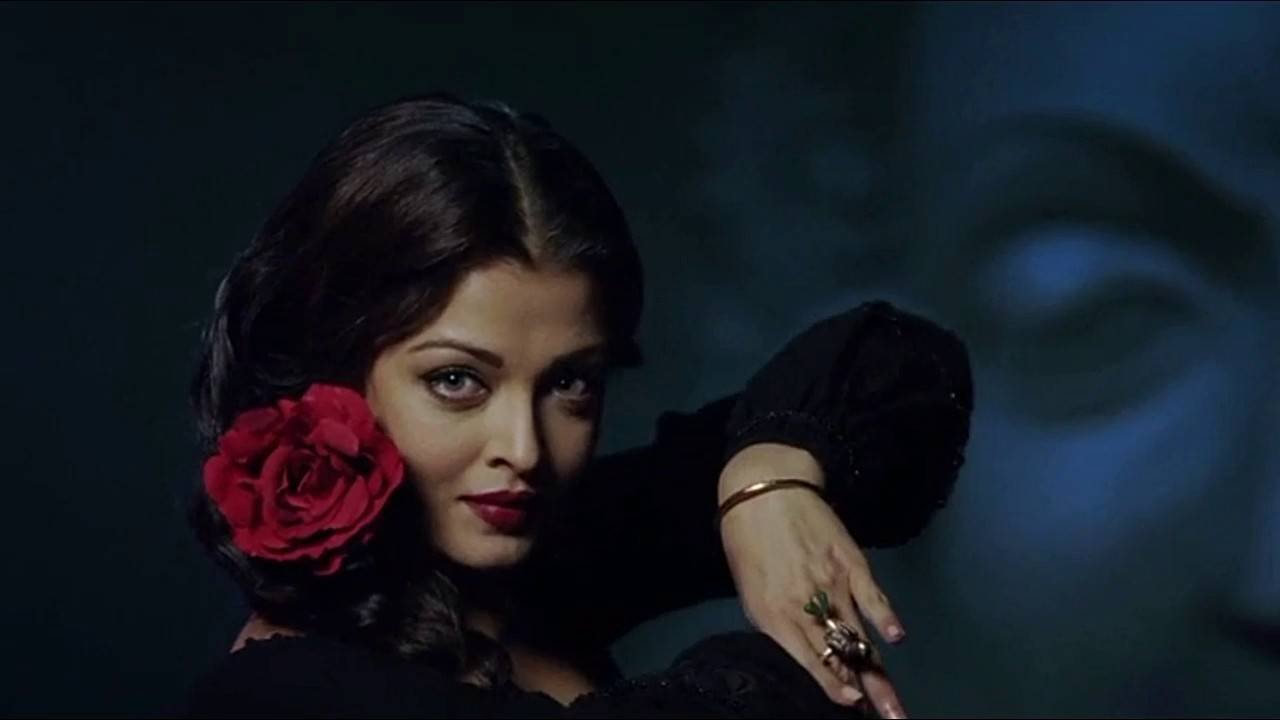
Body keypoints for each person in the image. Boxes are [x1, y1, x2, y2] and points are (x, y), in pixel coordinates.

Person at [182, 94, 973, 717]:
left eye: (570, 383)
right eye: (456, 381)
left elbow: (905, 374)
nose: (524, 448)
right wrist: (799, 662)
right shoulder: (286, 691)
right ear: (334, 379)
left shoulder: (543, 559)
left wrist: (769, 482)